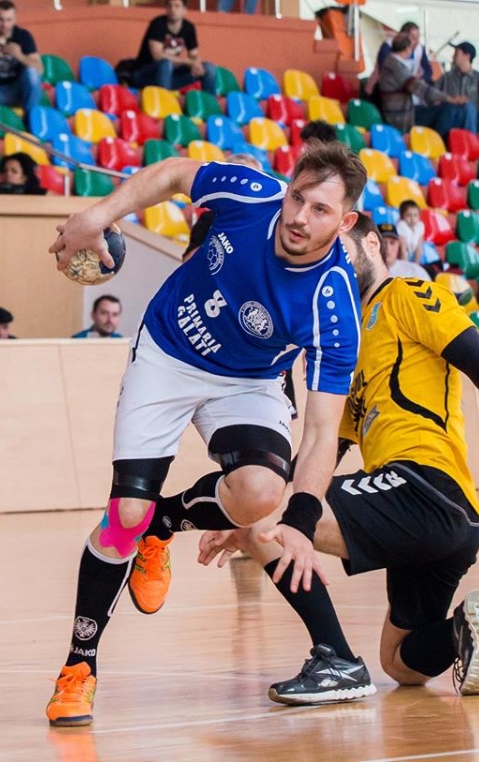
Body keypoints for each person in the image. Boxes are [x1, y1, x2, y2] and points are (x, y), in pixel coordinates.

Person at [45, 141, 367, 726]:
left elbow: (322, 433)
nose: (298, 217)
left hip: (249, 382)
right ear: (285, 186)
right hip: (168, 354)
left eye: (320, 210)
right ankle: (79, 667)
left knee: (261, 495)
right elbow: (172, 174)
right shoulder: (250, 196)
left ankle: (162, 527)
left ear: (345, 222)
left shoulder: (333, 302)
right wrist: (99, 215)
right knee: (123, 517)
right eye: (297, 197)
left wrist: (298, 521)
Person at [198, 215, 479, 705]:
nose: (330, 260)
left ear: (373, 244)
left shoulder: (406, 295)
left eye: (338, 246)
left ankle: (335, 659)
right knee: (401, 664)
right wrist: (248, 515)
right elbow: (324, 454)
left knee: (272, 523)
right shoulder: (346, 344)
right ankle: (464, 627)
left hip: (423, 484)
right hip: (447, 523)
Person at [379, 34, 466, 139]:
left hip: (402, 111)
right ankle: (437, 143)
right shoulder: (396, 66)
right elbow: (421, 89)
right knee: (448, 110)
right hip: (401, 117)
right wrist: (449, 99)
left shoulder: (391, 62)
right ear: (407, 49)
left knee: (446, 109)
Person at [130, 0, 216, 94]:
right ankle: (164, 103)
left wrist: (196, 64)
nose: (173, 9)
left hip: (170, 77)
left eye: (177, 6)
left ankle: (210, 104)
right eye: (170, 6)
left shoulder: (189, 27)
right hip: (145, 75)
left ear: (184, 10)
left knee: (208, 67)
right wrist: (187, 61)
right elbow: (157, 56)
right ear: (166, 9)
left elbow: (194, 54)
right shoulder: (157, 24)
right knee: (165, 64)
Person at [365, 21, 433, 109]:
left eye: (418, 37)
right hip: (385, 88)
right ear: (402, 37)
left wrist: (421, 77)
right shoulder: (388, 46)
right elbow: (386, 70)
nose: (417, 41)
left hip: (410, 87)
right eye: (413, 38)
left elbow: (428, 70)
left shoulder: (419, 49)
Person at [396, 199, 425, 264]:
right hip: (400, 257)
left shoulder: (420, 226)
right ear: (402, 216)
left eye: (415, 215)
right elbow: (402, 250)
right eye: (409, 215)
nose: (412, 219)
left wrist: (416, 265)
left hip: (410, 254)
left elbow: (419, 248)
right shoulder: (401, 225)